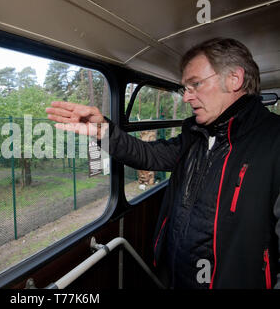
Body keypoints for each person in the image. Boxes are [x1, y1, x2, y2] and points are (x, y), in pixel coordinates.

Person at [46, 38, 280, 289]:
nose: (186, 98)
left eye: (195, 84)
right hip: (176, 277)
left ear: (234, 79)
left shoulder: (273, 142)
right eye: (185, 88)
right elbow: (148, 154)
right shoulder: (196, 136)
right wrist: (103, 131)